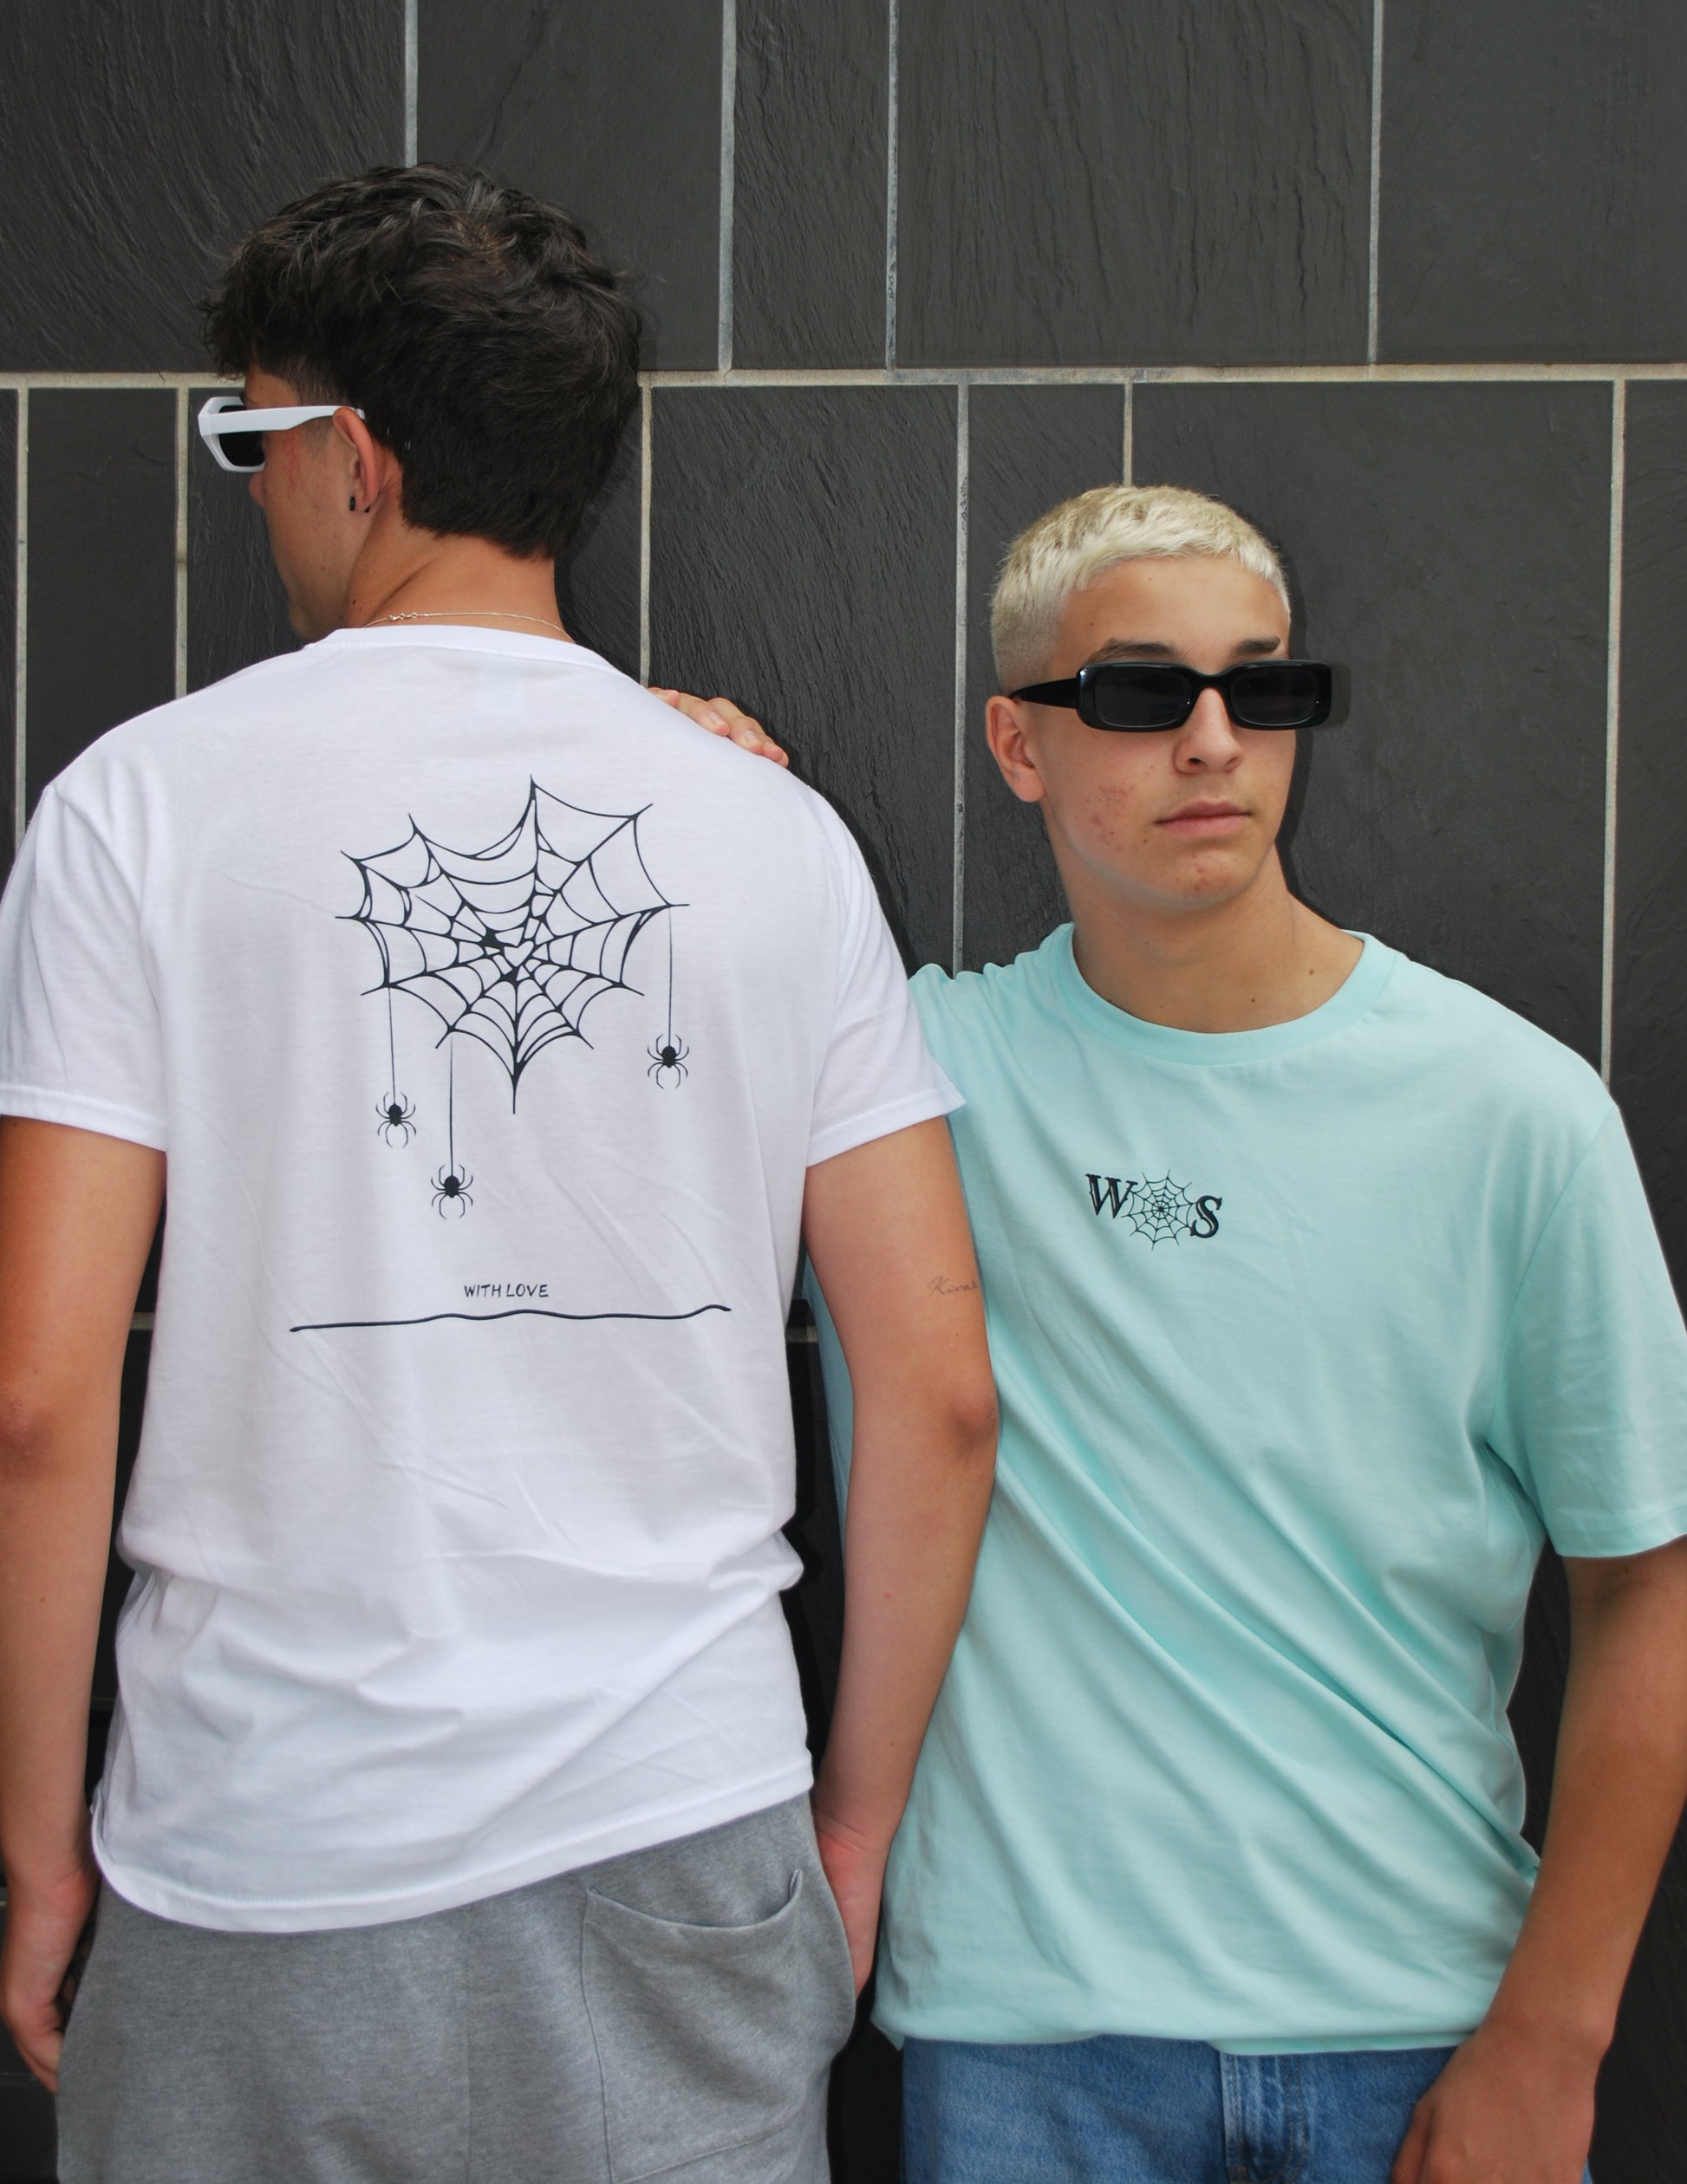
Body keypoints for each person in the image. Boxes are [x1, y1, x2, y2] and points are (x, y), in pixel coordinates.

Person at [0, 165, 997, 2184]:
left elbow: (35, 1395)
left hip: (257, 1844)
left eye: (255, 440)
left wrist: (37, 1852)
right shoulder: (774, 835)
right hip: (680, 1815)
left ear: (355, 457)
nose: (257, 491)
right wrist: (854, 1828)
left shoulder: (134, 814)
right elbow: (941, 1394)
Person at [674, 484, 1687, 2184]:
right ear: (1018, 742)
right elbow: (643, 1019)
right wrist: (660, 772)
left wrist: (1551, 2038)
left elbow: (1644, 1584)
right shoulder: (906, 1085)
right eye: (1142, 692)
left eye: (1260, 687)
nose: (1213, 740)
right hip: (1026, 2049)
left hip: (1418, 2030)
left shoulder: (1511, 1112)